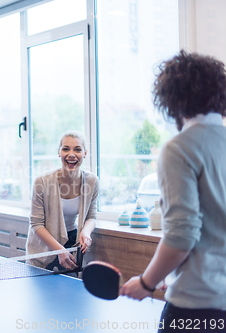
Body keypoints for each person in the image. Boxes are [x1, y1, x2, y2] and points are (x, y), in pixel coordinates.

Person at [120, 51, 226, 331]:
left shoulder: (179, 148)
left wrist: (146, 282)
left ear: (172, 99)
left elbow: (181, 236)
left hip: (196, 308)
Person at [26, 130, 99, 271]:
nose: (71, 154)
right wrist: (59, 250)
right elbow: (36, 224)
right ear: (59, 152)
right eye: (66, 149)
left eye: (77, 149)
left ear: (85, 153)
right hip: (43, 247)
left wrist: (86, 232)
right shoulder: (42, 181)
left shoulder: (92, 181)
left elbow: (92, 216)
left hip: (72, 242)